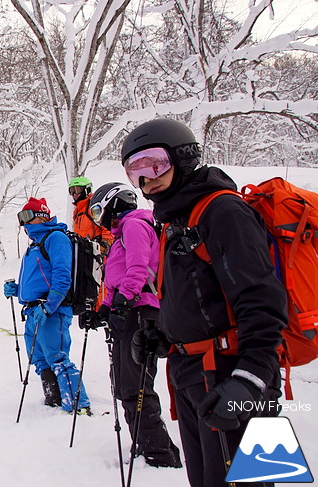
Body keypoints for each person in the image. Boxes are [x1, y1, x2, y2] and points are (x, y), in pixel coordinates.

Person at [121, 118, 287, 487]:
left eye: (154, 164)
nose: (147, 179)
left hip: (232, 375)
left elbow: (263, 299)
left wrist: (250, 379)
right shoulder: (175, 220)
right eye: (135, 172)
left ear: (182, 157)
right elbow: (201, 297)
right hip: (195, 376)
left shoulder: (223, 211)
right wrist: (163, 334)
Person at [79, 183, 182, 469]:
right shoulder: (122, 233)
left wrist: (123, 303)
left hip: (141, 313)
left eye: (99, 210)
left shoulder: (135, 226)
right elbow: (115, 280)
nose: (99, 218)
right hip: (130, 312)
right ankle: (145, 442)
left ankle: (160, 455)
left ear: (115, 203)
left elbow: (138, 269)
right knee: (124, 384)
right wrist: (103, 310)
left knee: (134, 386)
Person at [3, 197, 92, 415]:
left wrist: (49, 306)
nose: (23, 224)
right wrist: (18, 291)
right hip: (33, 311)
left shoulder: (56, 238)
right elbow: (39, 279)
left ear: (41, 215)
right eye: (20, 219)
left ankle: (79, 406)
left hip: (52, 311)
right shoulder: (35, 244)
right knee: (39, 359)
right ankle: (53, 399)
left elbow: (63, 276)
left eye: (26, 217)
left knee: (57, 356)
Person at [68, 176, 114, 251]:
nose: (74, 194)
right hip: (84, 251)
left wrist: (105, 245)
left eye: (77, 190)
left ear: (87, 189)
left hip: (97, 249)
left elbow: (107, 227)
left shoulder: (93, 206)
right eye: (71, 191)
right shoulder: (77, 211)